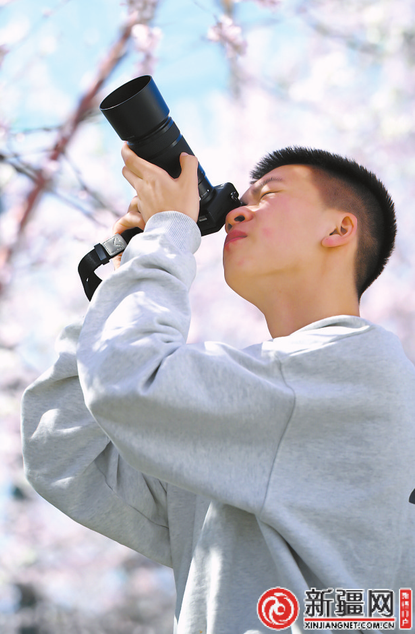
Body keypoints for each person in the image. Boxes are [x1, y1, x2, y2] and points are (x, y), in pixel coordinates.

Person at [21, 145, 415, 634]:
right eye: (238, 201)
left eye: (268, 195)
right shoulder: (251, 419)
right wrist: (129, 269)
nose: (235, 213)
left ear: (339, 229)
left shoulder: (361, 365)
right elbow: (63, 455)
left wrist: (169, 232)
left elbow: (128, 384)